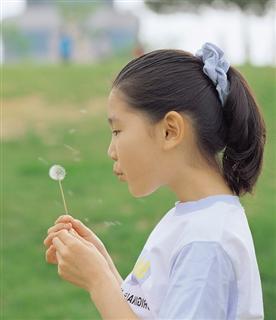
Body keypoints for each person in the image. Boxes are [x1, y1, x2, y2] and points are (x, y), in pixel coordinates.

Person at [43, 42, 266, 319]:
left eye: (117, 130)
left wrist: (98, 282)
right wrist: (102, 265)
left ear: (170, 131)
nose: (111, 151)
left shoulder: (206, 243)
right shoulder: (191, 219)